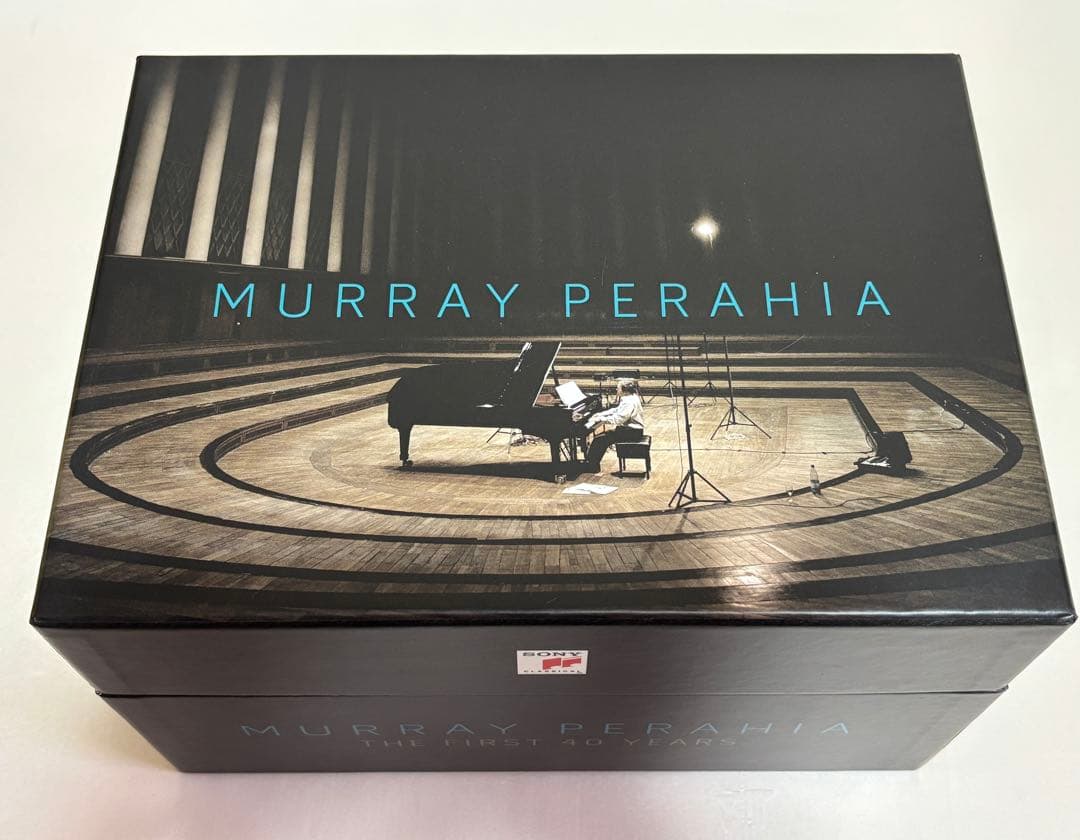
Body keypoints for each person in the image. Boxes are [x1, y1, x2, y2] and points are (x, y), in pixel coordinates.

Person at [583, 379, 646, 472]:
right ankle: (591, 464)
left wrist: (600, 419)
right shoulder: (631, 397)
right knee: (601, 438)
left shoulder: (628, 402)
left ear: (624, 390)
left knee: (599, 440)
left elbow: (618, 419)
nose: (616, 390)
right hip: (631, 430)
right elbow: (616, 410)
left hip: (632, 432)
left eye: (618, 388)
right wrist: (601, 414)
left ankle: (592, 466)